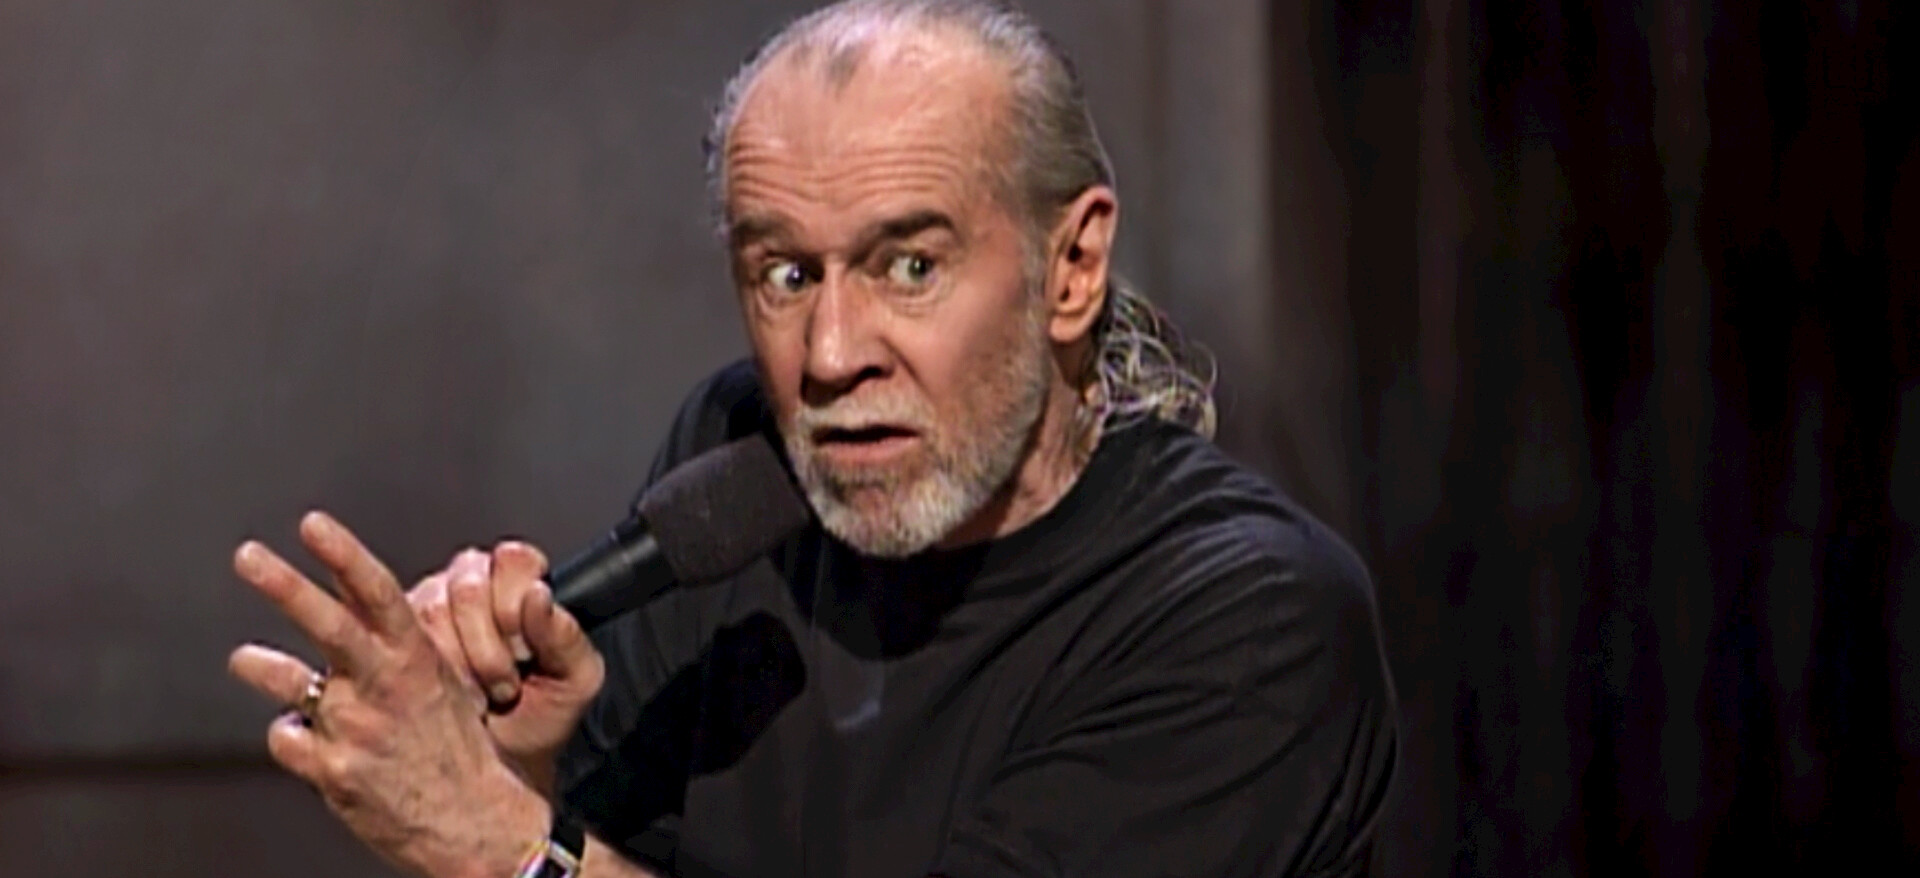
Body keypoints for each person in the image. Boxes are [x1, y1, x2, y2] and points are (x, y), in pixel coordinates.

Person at [225, 2, 1398, 876]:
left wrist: (498, 843)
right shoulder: (737, 467)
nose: (831, 353)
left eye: (910, 266)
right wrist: (517, 769)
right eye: (786, 274)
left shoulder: (1251, 621)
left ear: (1073, 266)